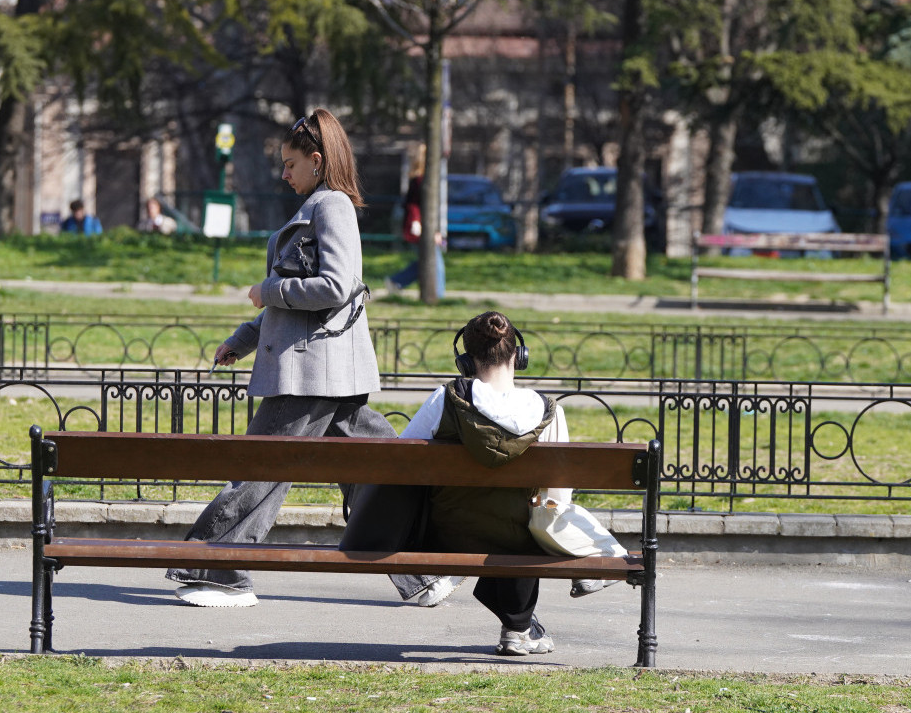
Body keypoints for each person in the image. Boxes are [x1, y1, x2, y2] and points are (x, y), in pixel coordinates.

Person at [165, 109, 444, 608]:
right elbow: (290, 306)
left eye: (291, 164)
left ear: (317, 161)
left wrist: (268, 288)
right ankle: (420, 570)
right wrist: (244, 339)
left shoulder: (331, 206)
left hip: (311, 374)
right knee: (374, 476)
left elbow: (335, 286)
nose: (283, 173)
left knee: (261, 466)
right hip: (320, 370)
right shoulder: (316, 205)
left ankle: (220, 569)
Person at [341, 311, 625, 656]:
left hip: (444, 534)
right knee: (524, 518)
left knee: (487, 514)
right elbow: (557, 498)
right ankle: (519, 628)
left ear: (465, 361)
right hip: (517, 537)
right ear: (518, 356)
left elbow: (402, 465)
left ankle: (519, 628)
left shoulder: (446, 398)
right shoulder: (550, 411)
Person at [384, 144, 445, 295]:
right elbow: (418, 207)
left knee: (426, 261)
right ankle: (436, 295)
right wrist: (432, 230)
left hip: (419, 225)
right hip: (421, 226)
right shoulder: (421, 181)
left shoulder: (417, 180)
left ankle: (397, 281)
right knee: (434, 262)